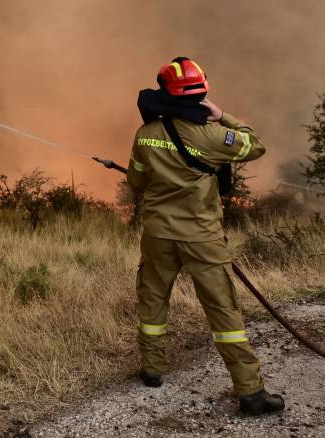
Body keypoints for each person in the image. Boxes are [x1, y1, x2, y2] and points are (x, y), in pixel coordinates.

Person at [126, 56, 284, 415]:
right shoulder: (213, 136)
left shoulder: (145, 134)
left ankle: (152, 369)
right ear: (201, 94)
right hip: (201, 237)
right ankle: (250, 392)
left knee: (152, 302)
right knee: (223, 311)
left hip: (158, 235)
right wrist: (223, 115)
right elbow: (256, 144)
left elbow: (135, 181)